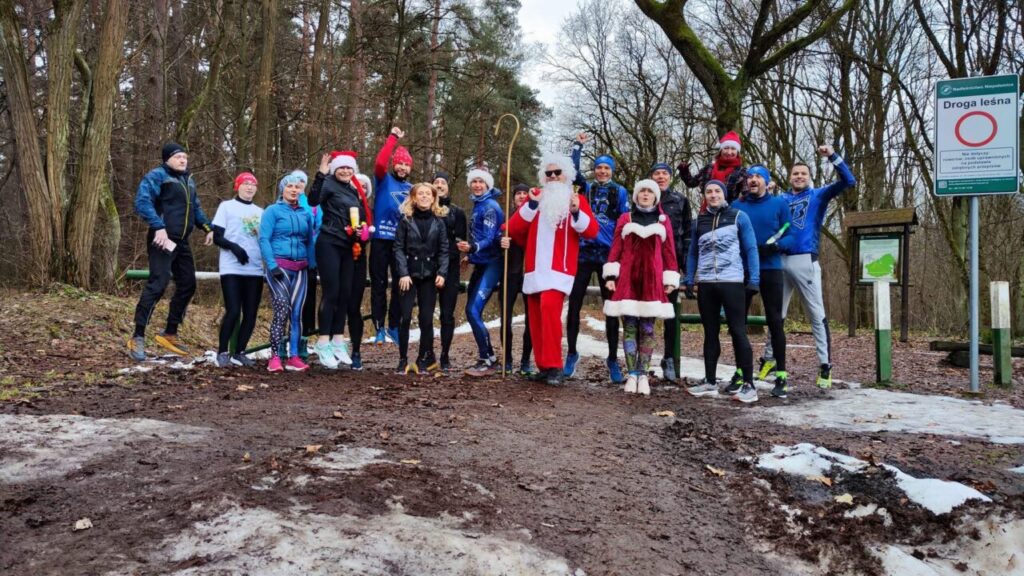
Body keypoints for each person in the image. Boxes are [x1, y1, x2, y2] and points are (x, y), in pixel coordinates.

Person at [762, 144, 857, 389]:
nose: (799, 177)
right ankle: (769, 358)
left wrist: (833, 156)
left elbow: (849, 181)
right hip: (778, 261)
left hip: (805, 260)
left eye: (803, 173)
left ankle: (825, 366)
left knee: (816, 314)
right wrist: (766, 192)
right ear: (790, 177)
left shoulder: (818, 195)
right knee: (776, 314)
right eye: (795, 174)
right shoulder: (781, 199)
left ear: (810, 177)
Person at [508, 154, 598, 385]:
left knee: (549, 313)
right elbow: (514, 228)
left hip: (559, 269)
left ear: (566, 174)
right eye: (549, 173)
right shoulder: (535, 198)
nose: (553, 177)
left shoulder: (575, 199)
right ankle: (544, 366)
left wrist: (577, 211)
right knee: (536, 318)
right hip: (535, 268)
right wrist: (531, 204)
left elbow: (591, 231)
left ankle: (555, 366)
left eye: (557, 172)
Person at [127, 142, 213, 361]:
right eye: (178, 157)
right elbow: (142, 202)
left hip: (182, 241)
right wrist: (158, 226)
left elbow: (195, 208)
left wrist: (207, 227)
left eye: (185, 156)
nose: (183, 160)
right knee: (159, 283)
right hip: (162, 238)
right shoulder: (157, 176)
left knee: (188, 284)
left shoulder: (188, 180)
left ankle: (170, 332)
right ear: (167, 159)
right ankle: (137, 336)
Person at [684, 180, 760, 403]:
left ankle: (749, 384)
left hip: (732, 282)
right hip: (707, 283)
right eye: (709, 191)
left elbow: (751, 248)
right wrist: (690, 278)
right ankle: (709, 381)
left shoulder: (738, 217)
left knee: (738, 331)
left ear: (724, 194)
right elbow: (692, 253)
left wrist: (754, 279)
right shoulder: (699, 222)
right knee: (710, 332)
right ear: (704, 196)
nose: (713, 194)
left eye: (717, 191)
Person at [602, 179, 680, 396]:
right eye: (642, 191)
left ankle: (643, 373)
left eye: (650, 191)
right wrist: (610, 275)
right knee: (628, 327)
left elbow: (669, 251)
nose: (645, 194)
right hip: (628, 280)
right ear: (636, 195)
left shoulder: (663, 221)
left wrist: (670, 278)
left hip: (652, 280)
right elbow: (616, 248)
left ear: (656, 196)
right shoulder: (625, 219)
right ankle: (631, 374)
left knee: (647, 328)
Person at [566, 133, 630, 383]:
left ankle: (613, 358)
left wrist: (620, 255)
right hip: (583, 252)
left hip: (607, 255)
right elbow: (572, 171)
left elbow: (623, 223)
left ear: (611, 171)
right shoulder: (586, 189)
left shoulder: (620, 191)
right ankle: (571, 353)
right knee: (573, 305)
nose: (602, 171)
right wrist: (578, 146)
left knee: (611, 309)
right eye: (599, 168)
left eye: (606, 168)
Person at [733, 165, 795, 398]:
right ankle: (740, 372)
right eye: (750, 176)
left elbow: (790, 234)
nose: (753, 180)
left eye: (758, 176)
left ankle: (781, 376)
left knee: (775, 322)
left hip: (771, 269)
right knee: (738, 323)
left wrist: (777, 246)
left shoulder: (779, 204)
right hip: (744, 271)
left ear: (766, 181)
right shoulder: (737, 206)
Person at [307, 151, 372, 370]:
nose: (345, 171)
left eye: (349, 168)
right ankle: (323, 342)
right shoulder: (328, 183)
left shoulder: (353, 191)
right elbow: (313, 200)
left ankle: (337, 339)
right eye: (341, 168)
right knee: (332, 292)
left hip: (347, 246)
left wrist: (359, 232)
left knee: (345, 293)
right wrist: (320, 174)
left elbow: (357, 218)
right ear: (335, 169)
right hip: (329, 243)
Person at [259, 172, 317, 372]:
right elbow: (264, 239)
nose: (294, 190)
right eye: (289, 186)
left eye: (297, 187)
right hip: (279, 267)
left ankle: (294, 356)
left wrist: (311, 265)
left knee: (297, 313)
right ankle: (275, 356)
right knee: (282, 309)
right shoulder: (272, 211)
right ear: (283, 189)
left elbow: (309, 240)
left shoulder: (305, 213)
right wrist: (271, 265)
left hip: (301, 268)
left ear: (301, 191)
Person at [394, 183, 449, 374]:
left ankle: (422, 358)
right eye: (420, 194)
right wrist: (403, 273)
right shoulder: (406, 221)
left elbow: (444, 250)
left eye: (428, 194)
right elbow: (398, 248)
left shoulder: (439, 222)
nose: (424, 197)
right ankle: (402, 359)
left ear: (434, 198)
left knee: (426, 319)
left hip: (430, 276)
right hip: (409, 275)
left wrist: (442, 273)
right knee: (406, 317)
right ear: (414, 198)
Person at [211, 172, 264, 368]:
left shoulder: (261, 212)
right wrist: (234, 248)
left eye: (253, 184)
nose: (250, 187)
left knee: (251, 313)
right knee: (233, 310)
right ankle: (223, 351)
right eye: (246, 184)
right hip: (232, 267)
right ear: (238, 186)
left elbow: (265, 239)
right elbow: (217, 237)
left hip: (255, 268)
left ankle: (240, 352)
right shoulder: (226, 207)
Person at [649, 162, 692, 382]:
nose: (661, 177)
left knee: (670, 313)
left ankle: (668, 359)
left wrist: (686, 267)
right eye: (657, 173)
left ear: (670, 177)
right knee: (644, 311)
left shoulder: (680, 200)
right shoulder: (643, 198)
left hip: (671, 263)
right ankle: (642, 357)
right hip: (647, 262)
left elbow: (687, 233)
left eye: (665, 173)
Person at [370, 127, 413, 345]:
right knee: (378, 285)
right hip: (380, 240)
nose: (403, 167)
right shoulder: (383, 179)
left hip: (401, 244)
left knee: (400, 286)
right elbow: (379, 163)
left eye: (406, 164)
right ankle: (378, 326)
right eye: (400, 163)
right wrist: (393, 139)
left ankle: (394, 326)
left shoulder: (413, 189)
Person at [460, 168, 504, 377]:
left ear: (488, 185)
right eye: (474, 181)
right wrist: (471, 256)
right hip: (480, 263)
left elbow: (488, 237)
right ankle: (488, 356)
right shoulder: (478, 205)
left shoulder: (490, 206)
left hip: (492, 264)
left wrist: (473, 248)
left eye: (481, 182)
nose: (477, 185)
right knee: (471, 311)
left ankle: (488, 358)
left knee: (473, 310)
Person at [434, 171, 468, 373]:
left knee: (447, 314)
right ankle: (426, 352)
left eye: (442, 182)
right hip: (428, 267)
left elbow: (462, 241)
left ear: (448, 187)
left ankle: (445, 355)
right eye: (436, 182)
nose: (439, 185)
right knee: (426, 313)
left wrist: (464, 255)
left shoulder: (457, 212)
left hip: (451, 268)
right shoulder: (424, 208)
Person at [500, 184, 535, 376]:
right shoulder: (507, 216)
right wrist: (501, 240)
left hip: (530, 271)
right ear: (513, 198)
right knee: (506, 316)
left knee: (531, 319)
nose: (521, 196)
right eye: (518, 194)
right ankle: (507, 359)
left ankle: (525, 360)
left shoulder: (536, 217)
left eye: (524, 193)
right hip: (510, 272)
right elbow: (497, 236)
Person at [678, 131, 748, 205]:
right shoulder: (709, 168)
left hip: (730, 211)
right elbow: (691, 183)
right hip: (707, 210)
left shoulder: (741, 172)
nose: (729, 152)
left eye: (733, 149)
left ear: (737, 152)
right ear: (721, 150)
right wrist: (684, 171)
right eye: (726, 148)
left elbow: (747, 195)